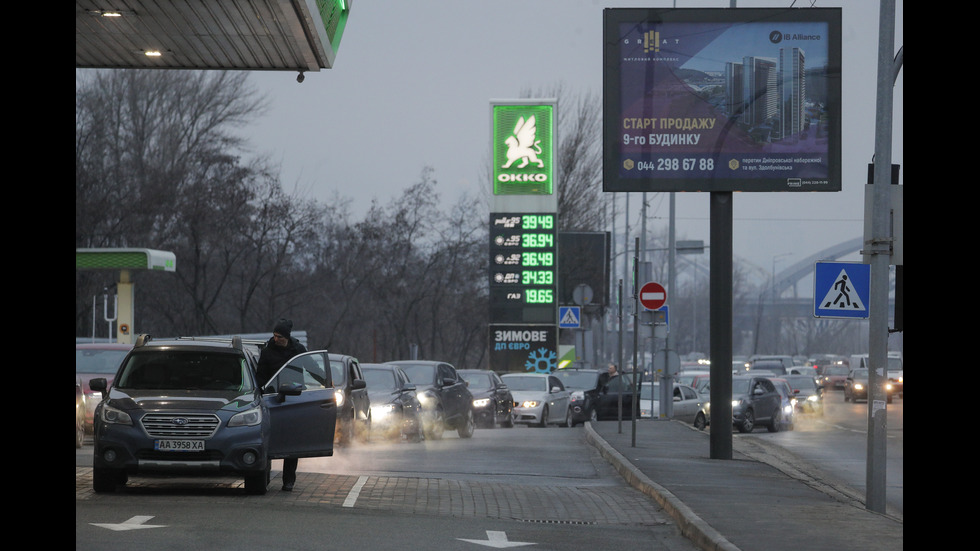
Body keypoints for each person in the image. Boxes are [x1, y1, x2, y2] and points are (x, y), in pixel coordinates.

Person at [256, 318, 307, 492]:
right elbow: (260, 376)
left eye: (279, 336)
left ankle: (289, 480)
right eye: (274, 335)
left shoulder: (299, 350)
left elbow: (312, 367)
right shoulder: (268, 351)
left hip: (294, 399)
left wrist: (325, 383)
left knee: (291, 443)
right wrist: (261, 393)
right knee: (268, 441)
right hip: (272, 399)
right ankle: (265, 476)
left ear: (287, 337)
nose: (276, 339)